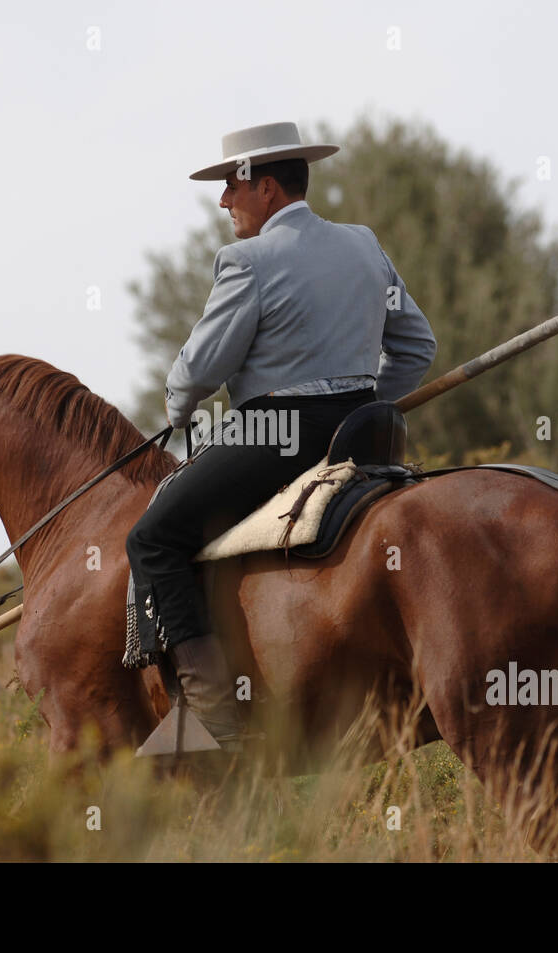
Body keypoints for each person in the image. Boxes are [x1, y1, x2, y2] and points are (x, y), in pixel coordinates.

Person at [125, 122, 437, 745]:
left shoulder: (247, 260)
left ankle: (210, 723)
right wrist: (368, 399)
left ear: (265, 188)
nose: (223, 202)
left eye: (230, 187)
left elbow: (201, 368)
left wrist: (179, 409)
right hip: (361, 430)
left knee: (154, 537)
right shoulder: (364, 245)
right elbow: (416, 347)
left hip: (276, 434)